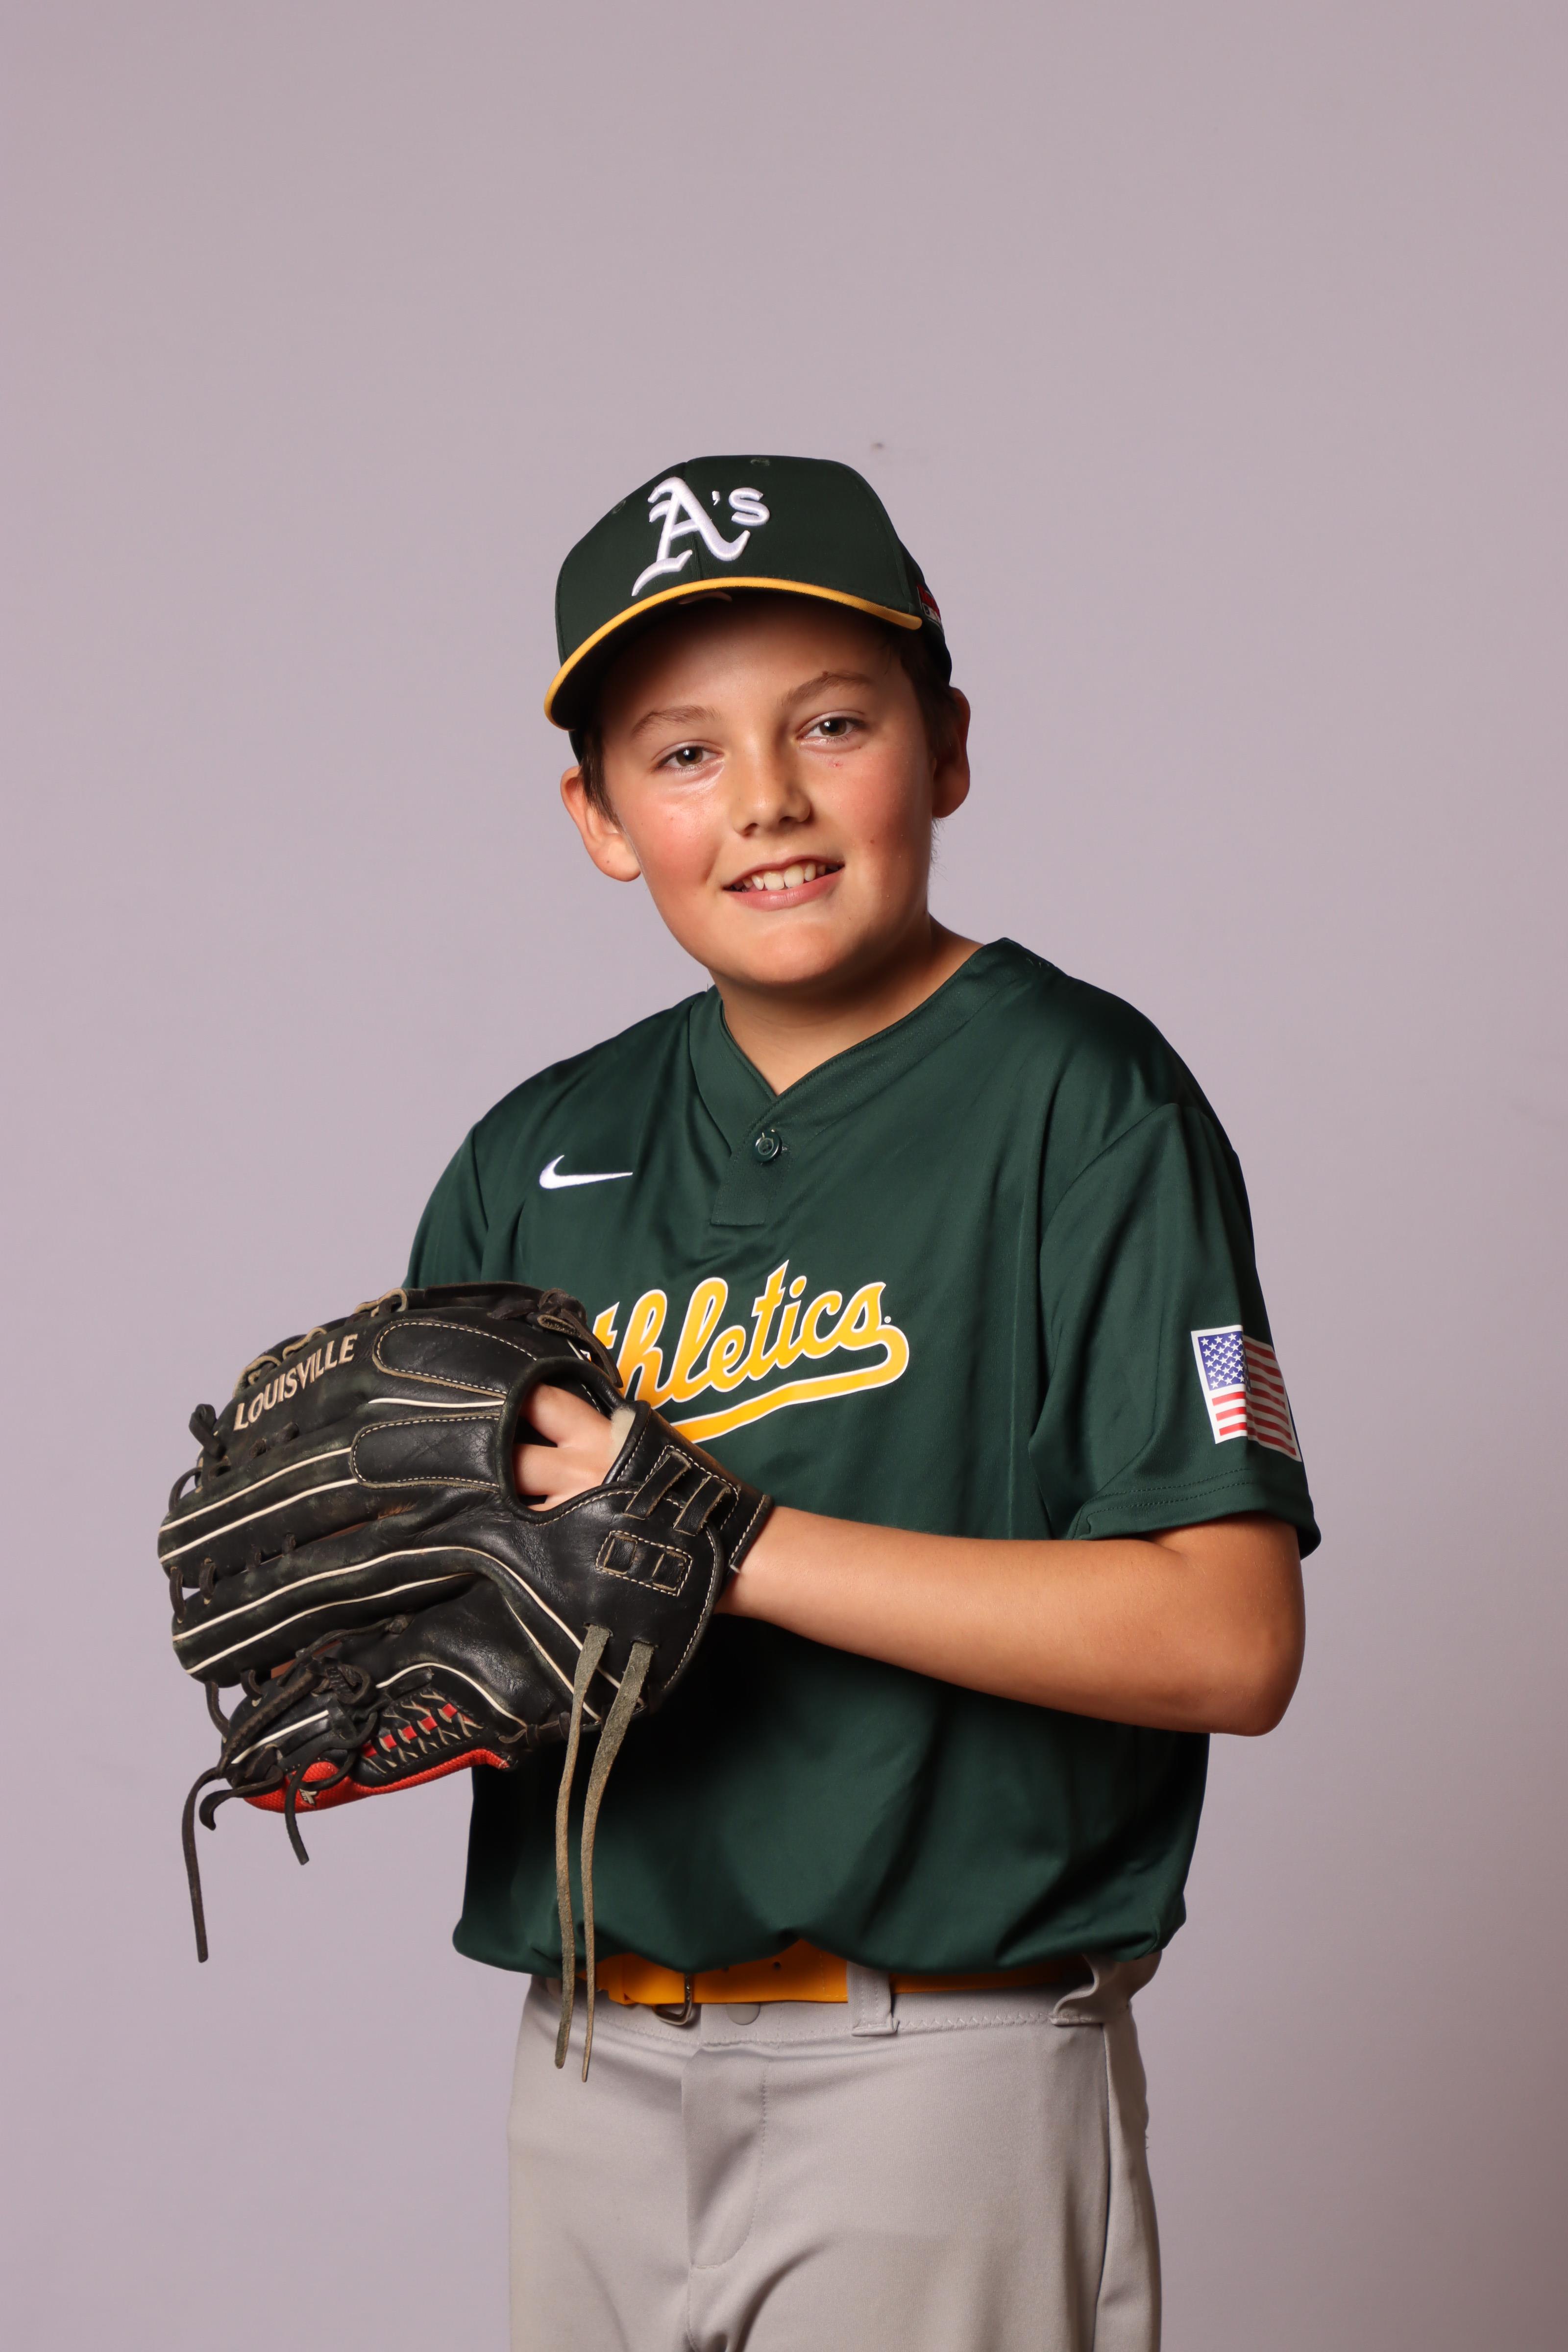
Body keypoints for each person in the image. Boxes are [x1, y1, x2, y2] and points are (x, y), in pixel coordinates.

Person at [408, 454, 1317, 2352]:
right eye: (683, 753)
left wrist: (712, 1535)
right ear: (598, 818)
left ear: (946, 748)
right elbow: (473, 1641)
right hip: (585, 2053)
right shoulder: (534, 1155)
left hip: (938, 2064)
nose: (766, 799)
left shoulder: (1082, 1102)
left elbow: (1229, 1642)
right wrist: (375, 1635)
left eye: (831, 722)